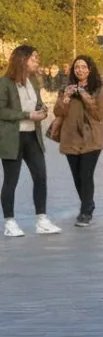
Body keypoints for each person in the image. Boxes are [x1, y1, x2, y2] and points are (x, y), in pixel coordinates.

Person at [0, 45, 61, 237]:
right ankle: (9, 222)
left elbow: (37, 102)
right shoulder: (5, 83)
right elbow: (1, 111)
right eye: (34, 58)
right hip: (12, 138)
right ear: (22, 59)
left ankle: (42, 219)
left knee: (41, 177)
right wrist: (27, 115)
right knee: (11, 180)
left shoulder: (33, 81)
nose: (37, 61)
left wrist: (42, 110)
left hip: (32, 137)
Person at [53, 55, 103, 227]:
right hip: (70, 138)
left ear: (90, 70)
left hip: (91, 139)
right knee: (77, 177)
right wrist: (66, 98)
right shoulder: (66, 88)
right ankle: (88, 203)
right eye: (77, 67)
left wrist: (84, 95)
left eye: (84, 67)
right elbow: (57, 111)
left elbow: (99, 114)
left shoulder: (100, 89)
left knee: (86, 174)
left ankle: (85, 211)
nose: (80, 70)